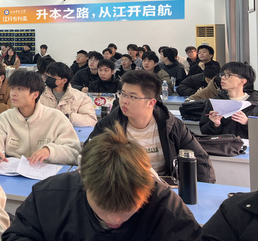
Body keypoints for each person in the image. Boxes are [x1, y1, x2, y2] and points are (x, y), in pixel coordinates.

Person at [0, 124, 202, 241]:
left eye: (127, 209)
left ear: (148, 185)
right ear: (83, 180)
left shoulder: (168, 209)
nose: (115, 220)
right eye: (104, 208)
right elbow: (18, 239)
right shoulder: (48, 198)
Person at [87, 70, 215, 182]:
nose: (124, 101)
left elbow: (201, 161)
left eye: (132, 97)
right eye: (123, 94)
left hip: (163, 188)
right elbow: (88, 158)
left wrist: (202, 192)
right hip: (123, 188)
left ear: (151, 103)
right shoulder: (109, 124)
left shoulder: (171, 125)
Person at [0, 70, 80, 165]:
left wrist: (50, 151)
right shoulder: (4, 118)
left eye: (20, 89)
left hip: (46, 171)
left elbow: (74, 152)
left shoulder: (55, 117)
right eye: (12, 88)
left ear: (35, 94)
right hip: (11, 171)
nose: (13, 93)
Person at [200, 62, 258, 139]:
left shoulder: (255, 103)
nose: (223, 78)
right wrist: (215, 125)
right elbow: (204, 131)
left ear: (242, 81)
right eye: (223, 74)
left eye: (228, 75)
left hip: (248, 146)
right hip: (223, 145)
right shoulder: (215, 102)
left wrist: (248, 123)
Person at [39, 62, 97, 126]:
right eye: (47, 76)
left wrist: (68, 117)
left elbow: (91, 121)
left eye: (52, 77)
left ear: (64, 81)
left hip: (70, 131)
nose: (48, 79)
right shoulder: (39, 95)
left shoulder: (81, 97)